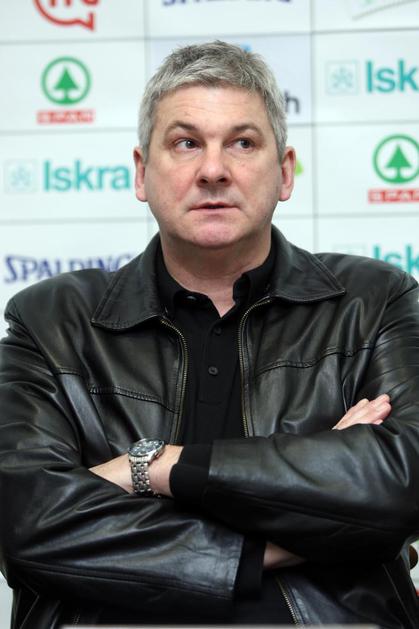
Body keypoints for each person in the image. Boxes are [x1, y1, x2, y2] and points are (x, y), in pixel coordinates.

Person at [1, 41, 419, 628]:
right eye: (186, 143)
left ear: (285, 172)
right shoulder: (52, 321)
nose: (214, 170)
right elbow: (26, 524)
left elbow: (404, 483)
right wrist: (305, 509)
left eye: (242, 143)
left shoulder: (371, 302)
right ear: (142, 173)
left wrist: (152, 467)